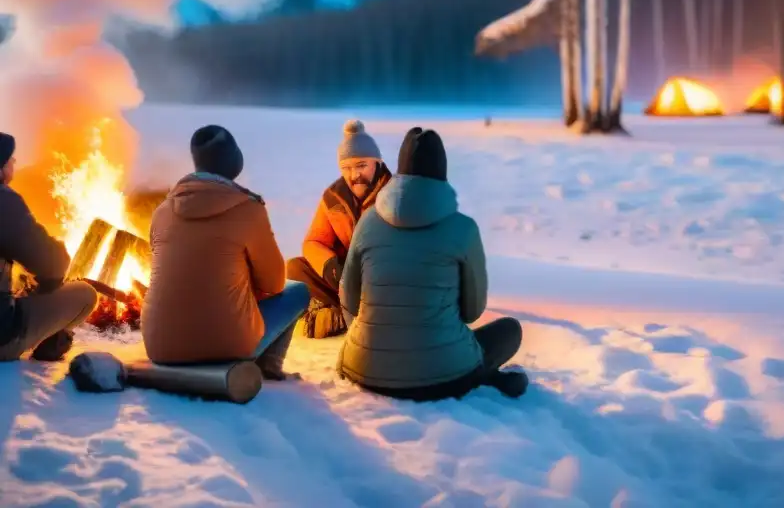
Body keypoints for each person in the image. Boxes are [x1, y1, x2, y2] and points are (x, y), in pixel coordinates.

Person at [337, 127, 527, 400]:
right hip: (440, 377)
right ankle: (485, 377)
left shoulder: (367, 221)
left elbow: (349, 299)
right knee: (509, 331)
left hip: (362, 368)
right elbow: (472, 312)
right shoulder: (464, 229)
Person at [142, 125, 309, 380]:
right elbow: (274, 284)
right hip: (227, 346)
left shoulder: (162, 211)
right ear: (234, 161)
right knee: (297, 292)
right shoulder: (249, 210)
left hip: (160, 346)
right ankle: (268, 368)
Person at [286, 119, 391, 339]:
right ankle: (338, 312)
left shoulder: (396, 195)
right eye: (346, 168)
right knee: (295, 268)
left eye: (361, 166)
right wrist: (329, 266)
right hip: (345, 280)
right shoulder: (332, 198)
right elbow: (314, 241)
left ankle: (351, 315)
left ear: (377, 162)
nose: (354, 175)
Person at [0, 132, 98, 362]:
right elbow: (52, 264)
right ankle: (49, 344)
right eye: (10, 158)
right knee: (85, 294)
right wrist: (48, 283)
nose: (14, 162)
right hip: (2, 337)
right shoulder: (4, 202)